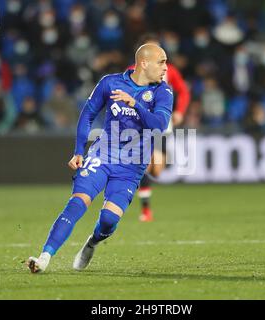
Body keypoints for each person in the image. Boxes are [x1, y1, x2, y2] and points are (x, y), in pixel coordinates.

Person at [27, 44, 173, 273]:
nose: (166, 67)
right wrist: (78, 150)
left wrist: (135, 104)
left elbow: (160, 125)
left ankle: (92, 242)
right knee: (78, 201)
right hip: (102, 154)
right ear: (144, 63)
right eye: (161, 61)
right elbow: (88, 114)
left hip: (132, 166)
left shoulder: (162, 92)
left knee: (108, 220)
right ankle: (44, 257)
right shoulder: (110, 83)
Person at [128, 33, 190, 222]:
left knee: (157, 169)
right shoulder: (131, 71)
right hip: (139, 124)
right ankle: (146, 210)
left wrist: (179, 111)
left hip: (162, 124)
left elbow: (184, 91)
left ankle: (145, 198)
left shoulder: (169, 70)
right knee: (144, 164)